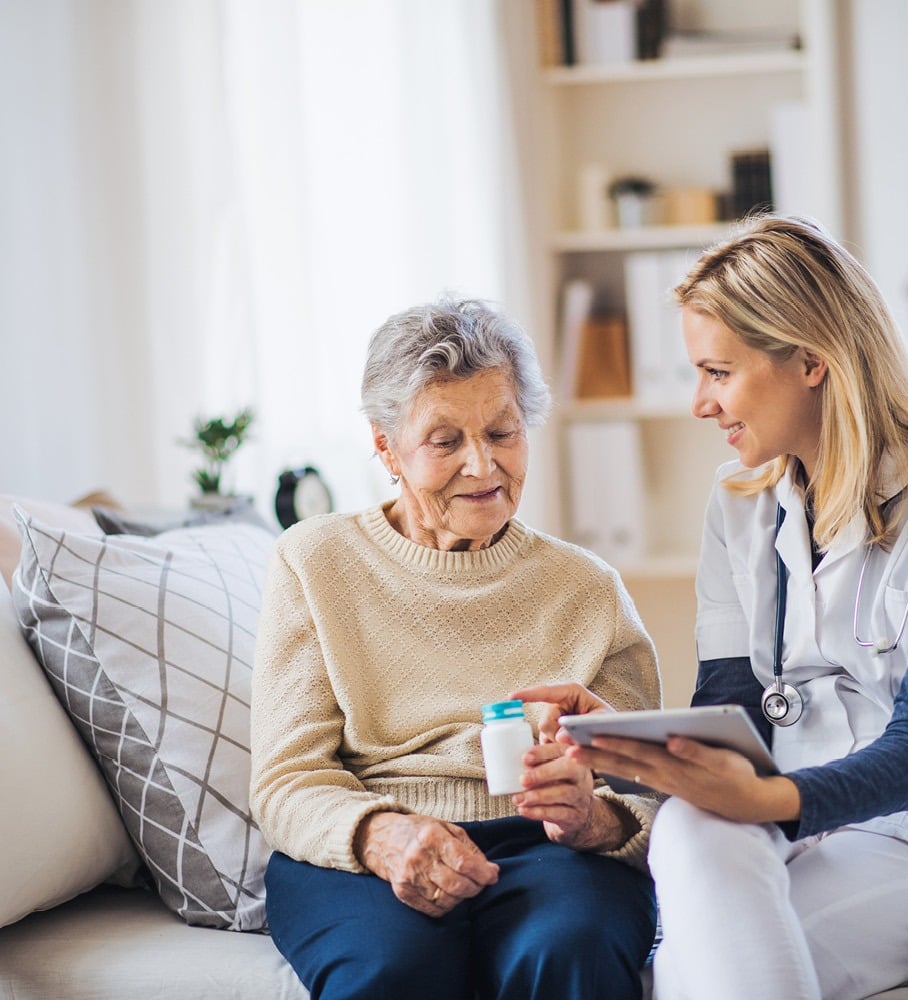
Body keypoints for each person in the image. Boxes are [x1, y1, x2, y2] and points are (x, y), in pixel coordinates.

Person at [516, 216, 908, 1000]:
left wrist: (768, 801)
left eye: (718, 371)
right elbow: (733, 717)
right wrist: (630, 746)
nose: (701, 405)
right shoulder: (739, 500)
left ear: (810, 361)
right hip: (786, 816)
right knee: (691, 826)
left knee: (688, 971)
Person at [249, 296, 662, 1000]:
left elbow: (647, 791)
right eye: (446, 441)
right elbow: (287, 780)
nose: (484, 465)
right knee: (391, 970)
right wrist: (382, 835)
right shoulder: (313, 562)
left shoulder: (586, 588)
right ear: (385, 446)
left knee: (571, 952)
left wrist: (595, 816)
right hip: (370, 840)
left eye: (503, 431)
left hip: (547, 846)